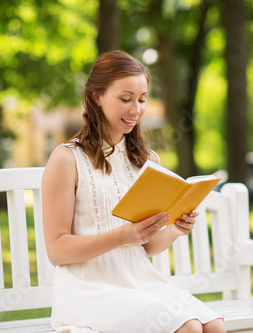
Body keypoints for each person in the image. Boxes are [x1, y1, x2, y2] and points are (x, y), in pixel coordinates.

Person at [42, 50, 226, 333]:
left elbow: (145, 248)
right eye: (125, 99)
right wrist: (122, 235)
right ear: (96, 97)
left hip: (140, 282)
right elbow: (56, 251)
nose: (136, 110)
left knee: (213, 326)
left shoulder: (147, 161)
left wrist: (175, 229)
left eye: (142, 99)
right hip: (89, 291)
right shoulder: (67, 159)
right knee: (187, 327)